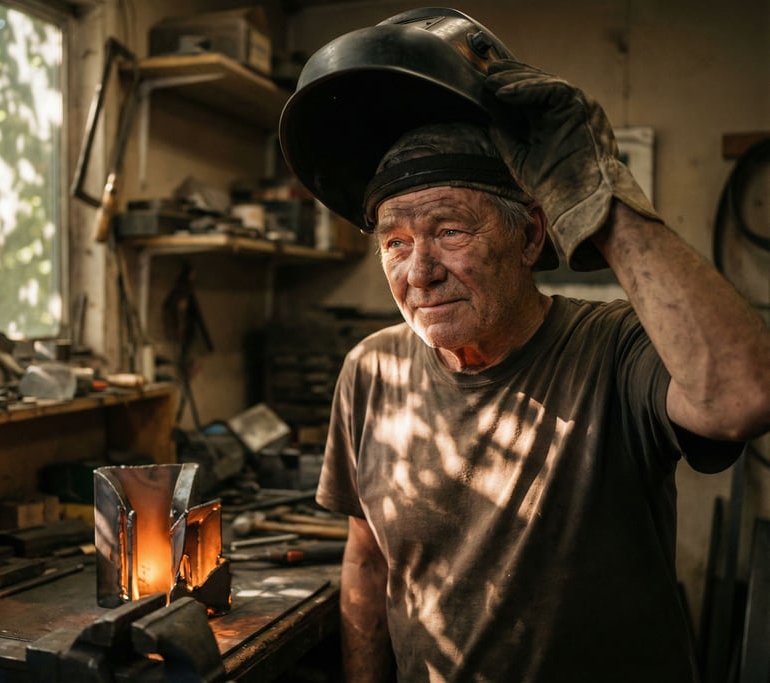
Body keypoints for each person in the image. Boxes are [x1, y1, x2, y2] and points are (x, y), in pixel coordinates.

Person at [277, 8, 770, 683]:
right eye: (395, 242)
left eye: (449, 230)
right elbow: (368, 562)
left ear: (531, 239)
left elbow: (743, 395)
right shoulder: (371, 369)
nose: (417, 271)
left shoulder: (614, 348)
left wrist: (600, 197)